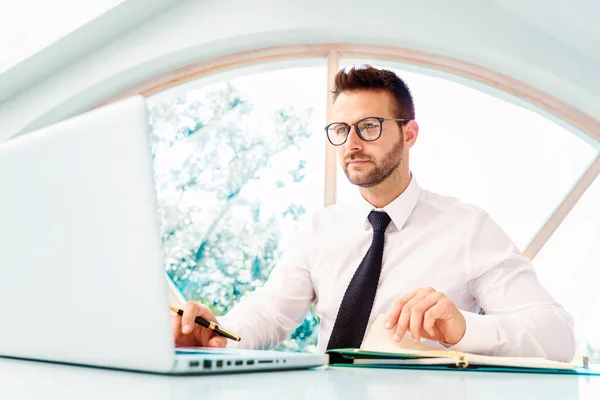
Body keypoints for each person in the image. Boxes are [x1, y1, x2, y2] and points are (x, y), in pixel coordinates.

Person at [171, 65, 575, 362]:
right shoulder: (319, 230)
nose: (352, 144)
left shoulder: (469, 228)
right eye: (341, 130)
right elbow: (270, 312)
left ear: (409, 133)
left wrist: (462, 327)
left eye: (369, 126)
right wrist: (218, 335)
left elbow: (557, 336)